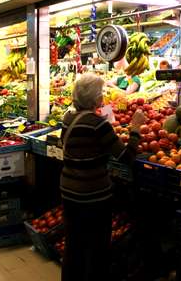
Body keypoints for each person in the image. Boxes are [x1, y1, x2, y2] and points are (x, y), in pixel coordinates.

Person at [60, 73, 146, 281]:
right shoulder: (98, 124)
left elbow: (84, 146)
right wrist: (135, 129)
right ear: (96, 98)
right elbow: (126, 157)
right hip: (93, 194)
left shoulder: (68, 118)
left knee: (74, 245)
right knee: (97, 247)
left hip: (69, 191)